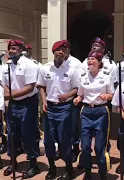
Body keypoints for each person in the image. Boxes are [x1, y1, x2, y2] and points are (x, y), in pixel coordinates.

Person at [37, 40, 80, 180]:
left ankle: (69, 169)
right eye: (58, 50)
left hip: (65, 108)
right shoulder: (45, 68)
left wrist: (67, 95)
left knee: (64, 139)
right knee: (48, 140)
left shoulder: (72, 70)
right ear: (53, 51)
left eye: (64, 50)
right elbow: (41, 86)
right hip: (49, 107)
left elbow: (77, 89)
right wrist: (43, 102)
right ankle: (52, 168)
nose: (61, 52)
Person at [2, 40, 40, 178]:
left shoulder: (29, 64)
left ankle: (33, 164)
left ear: (21, 49)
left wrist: (9, 96)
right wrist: (8, 94)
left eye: (14, 48)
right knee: (12, 133)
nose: (11, 51)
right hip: (13, 103)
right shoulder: (7, 65)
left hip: (27, 102)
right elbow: (4, 83)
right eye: (10, 49)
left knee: (28, 134)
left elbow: (30, 87)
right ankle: (13, 162)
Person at [73, 51, 115, 180]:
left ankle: (102, 173)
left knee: (99, 146)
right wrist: (78, 99)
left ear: (99, 62)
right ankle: (88, 171)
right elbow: (81, 94)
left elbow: (113, 95)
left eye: (93, 59)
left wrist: (107, 96)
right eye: (89, 59)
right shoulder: (84, 77)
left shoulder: (106, 76)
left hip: (101, 112)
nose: (90, 61)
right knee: (85, 146)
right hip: (86, 112)